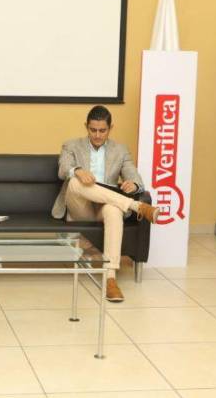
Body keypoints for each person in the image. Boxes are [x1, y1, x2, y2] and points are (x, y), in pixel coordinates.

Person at [52, 105, 159, 302]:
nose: (98, 135)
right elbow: (62, 169)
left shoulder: (120, 150)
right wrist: (77, 170)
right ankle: (136, 207)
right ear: (86, 126)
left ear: (111, 128)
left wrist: (133, 185)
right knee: (75, 182)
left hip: (104, 205)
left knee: (113, 210)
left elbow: (134, 176)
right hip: (80, 206)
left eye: (102, 130)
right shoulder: (71, 145)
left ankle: (110, 278)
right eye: (93, 130)